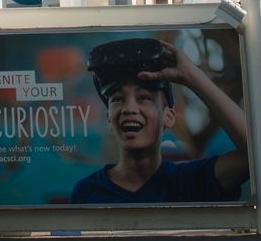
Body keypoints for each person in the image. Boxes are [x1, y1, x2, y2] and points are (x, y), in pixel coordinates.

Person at [69, 36, 249, 203]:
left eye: (143, 98)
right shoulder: (88, 192)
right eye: (118, 99)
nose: (129, 109)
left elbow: (256, 157)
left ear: (168, 117)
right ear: (109, 118)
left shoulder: (192, 182)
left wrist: (192, 76)